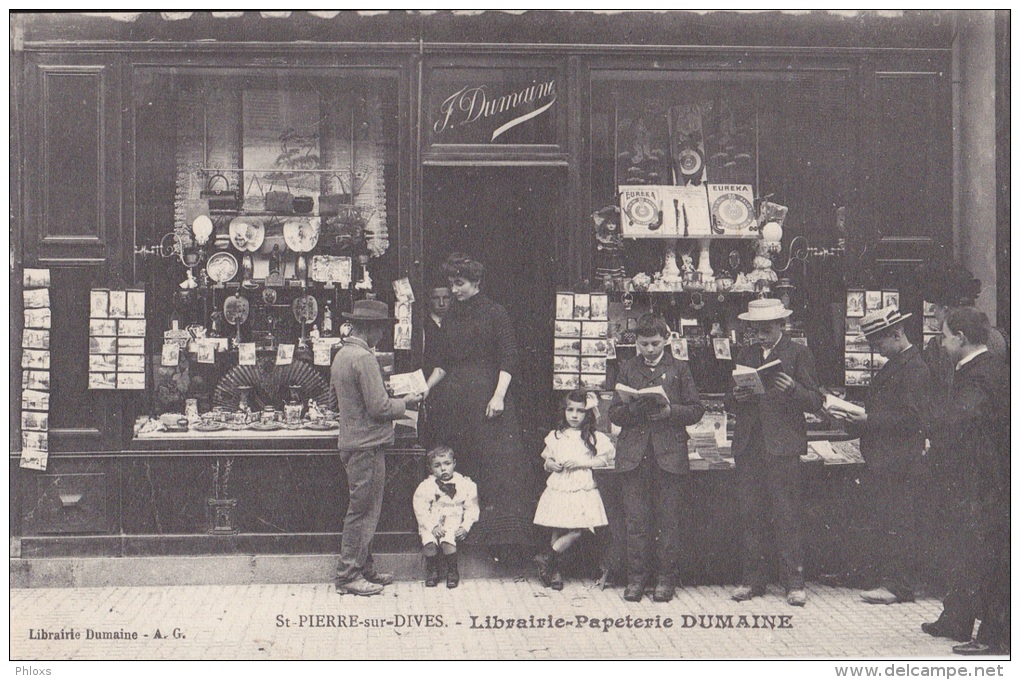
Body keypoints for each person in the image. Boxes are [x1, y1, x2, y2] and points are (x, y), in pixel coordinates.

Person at [424, 253, 541, 554]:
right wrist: (425, 388)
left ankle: (500, 542)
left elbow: (508, 357)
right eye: (451, 284)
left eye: (459, 283)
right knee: (463, 465)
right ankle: (461, 536)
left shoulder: (495, 313)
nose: (454, 290)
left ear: (476, 282)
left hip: (489, 398)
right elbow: (442, 364)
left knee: (496, 467)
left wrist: (499, 395)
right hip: (457, 401)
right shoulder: (450, 316)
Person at [922, 308, 1010, 655]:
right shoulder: (978, 369)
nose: (942, 344)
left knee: (987, 555)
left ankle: (994, 636)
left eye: (944, 336)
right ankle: (956, 619)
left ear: (960, 337)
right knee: (962, 551)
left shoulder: (983, 374)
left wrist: (931, 427)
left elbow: (963, 419)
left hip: (982, 484)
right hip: (971, 480)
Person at [726, 298, 823, 607]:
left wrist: (792, 388)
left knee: (787, 514)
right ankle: (752, 580)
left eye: (766, 330)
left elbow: (816, 400)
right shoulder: (746, 353)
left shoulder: (798, 353)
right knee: (750, 514)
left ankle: (794, 583)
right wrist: (737, 395)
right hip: (750, 444)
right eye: (756, 331)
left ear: (782, 325)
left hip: (782, 447)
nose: (761, 336)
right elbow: (730, 402)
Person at [832, 306, 931, 605]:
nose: (876, 350)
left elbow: (913, 419)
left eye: (878, 343)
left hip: (900, 460)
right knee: (886, 518)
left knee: (899, 522)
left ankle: (899, 586)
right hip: (886, 458)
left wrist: (867, 420)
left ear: (896, 334)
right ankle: (882, 577)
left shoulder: (914, 368)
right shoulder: (899, 363)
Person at [608, 313, 705, 603]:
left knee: (668, 521)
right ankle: (636, 580)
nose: (649, 350)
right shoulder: (626, 368)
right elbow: (613, 413)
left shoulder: (680, 369)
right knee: (635, 521)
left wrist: (670, 412)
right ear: (636, 343)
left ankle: (665, 580)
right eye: (643, 344)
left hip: (668, 454)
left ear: (666, 339)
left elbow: (696, 409)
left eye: (654, 343)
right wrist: (634, 409)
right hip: (634, 455)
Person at [331, 299, 422, 596]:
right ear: (370, 329)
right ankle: (348, 575)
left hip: (354, 441)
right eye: (381, 329)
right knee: (363, 512)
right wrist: (406, 402)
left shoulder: (344, 354)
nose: (382, 336)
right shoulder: (364, 358)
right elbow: (379, 407)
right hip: (366, 444)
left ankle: (364, 567)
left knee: (364, 509)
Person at [533, 390, 614, 590]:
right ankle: (555, 572)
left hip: (581, 485)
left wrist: (580, 462)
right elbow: (547, 459)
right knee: (558, 526)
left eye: (580, 411)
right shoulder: (556, 436)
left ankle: (546, 558)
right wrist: (550, 465)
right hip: (560, 484)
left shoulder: (594, 437)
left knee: (578, 529)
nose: (574, 415)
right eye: (570, 410)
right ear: (564, 411)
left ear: (588, 414)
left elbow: (603, 459)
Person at [412, 446, 479, 589]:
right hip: (432, 519)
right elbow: (420, 508)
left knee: (448, 541)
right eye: (437, 466)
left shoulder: (466, 484)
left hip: (453, 518)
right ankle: (432, 571)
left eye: (447, 464)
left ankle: (452, 571)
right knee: (429, 542)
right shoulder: (426, 485)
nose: (443, 469)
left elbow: (472, 508)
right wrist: (432, 526)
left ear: (454, 463)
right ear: (430, 468)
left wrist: (465, 526)